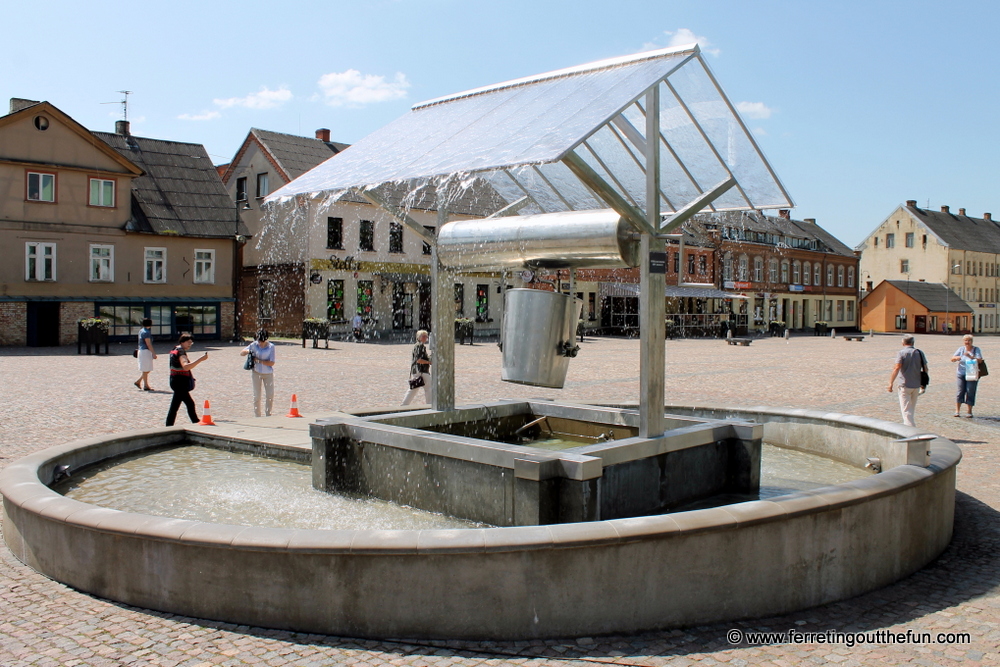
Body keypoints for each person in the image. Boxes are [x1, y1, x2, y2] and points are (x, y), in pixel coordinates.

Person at [165, 333, 208, 426]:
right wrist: (201, 359)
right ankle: (193, 421)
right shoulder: (181, 353)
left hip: (174, 379)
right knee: (182, 405)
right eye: (188, 342)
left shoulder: (175, 349)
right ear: (182, 342)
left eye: (191, 343)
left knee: (185, 404)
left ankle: (193, 421)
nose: (190, 344)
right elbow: (186, 366)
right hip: (180, 382)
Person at [887, 334, 926, 427]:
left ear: (903, 343)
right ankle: (909, 426)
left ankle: (911, 430)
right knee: (911, 408)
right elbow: (925, 369)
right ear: (913, 342)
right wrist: (923, 383)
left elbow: (897, 368)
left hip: (904, 385)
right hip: (916, 385)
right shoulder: (919, 353)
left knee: (906, 410)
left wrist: (890, 383)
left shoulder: (901, 353)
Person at [240, 330, 276, 417]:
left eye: (262, 341)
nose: (260, 343)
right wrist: (248, 352)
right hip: (256, 373)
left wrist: (258, 360)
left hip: (268, 373)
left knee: (270, 395)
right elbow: (241, 353)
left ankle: (268, 413)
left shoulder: (271, 347)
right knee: (257, 396)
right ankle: (257, 415)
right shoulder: (253, 345)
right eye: (259, 341)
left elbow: (272, 363)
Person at [950, 334, 983, 418]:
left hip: (972, 373)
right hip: (961, 373)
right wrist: (956, 358)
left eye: (969, 340)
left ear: (972, 341)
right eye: (965, 340)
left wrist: (971, 356)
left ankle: (969, 411)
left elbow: (980, 361)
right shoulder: (961, 349)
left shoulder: (976, 349)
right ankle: (957, 411)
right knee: (960, 391)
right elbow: (952, 358)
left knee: (970, 391)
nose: (967, 342)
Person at [401, 329, 432, 405]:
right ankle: (430, 404)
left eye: (426, 336)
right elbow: (419, 360)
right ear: (419, 337)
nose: (426, 338)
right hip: (421, 370)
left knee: (414, 388)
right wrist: (428, 362)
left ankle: (404, 404)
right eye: (423, 336)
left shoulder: (418, 345)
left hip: (417, 370)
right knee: (429, 388)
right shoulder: (419, 346)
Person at [134, 318, 157, 391]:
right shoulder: (146, 332)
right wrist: (153, 353)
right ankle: (146, 385)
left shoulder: (141, 330)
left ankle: (139, 381)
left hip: (142, 350)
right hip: (145, 351)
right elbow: (148, 344)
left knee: (147, 369)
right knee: (146, 369)